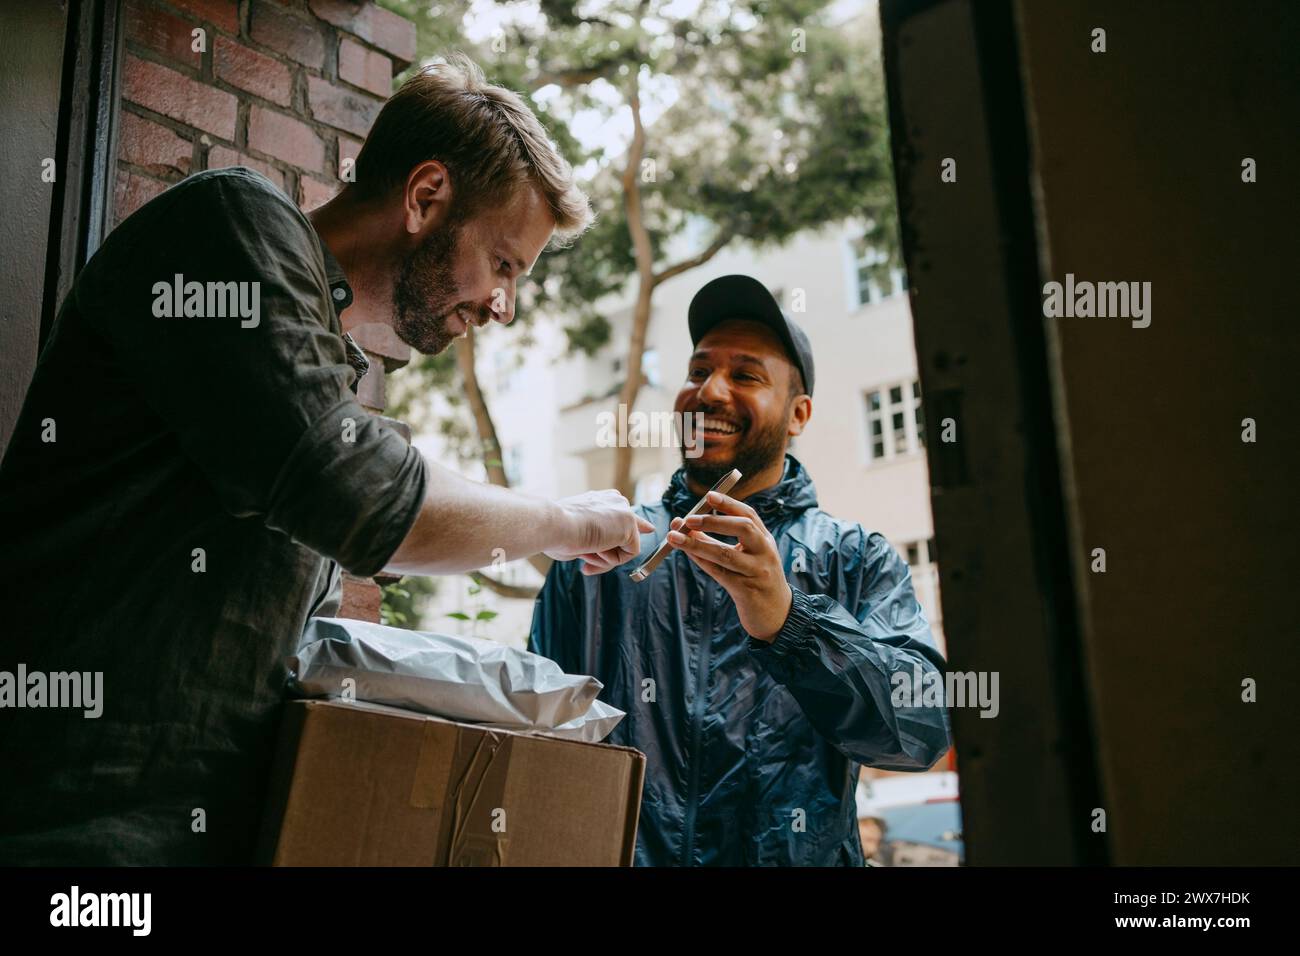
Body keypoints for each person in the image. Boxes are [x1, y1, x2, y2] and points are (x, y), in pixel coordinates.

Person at [0, 54, 650, 865]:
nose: (503, 306)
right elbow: (365, 493)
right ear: (425, 197)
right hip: (65, 833)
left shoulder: (317, 361)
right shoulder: (231, 227)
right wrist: (564, 521)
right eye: (506, 264)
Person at [530, 274, 951, 866]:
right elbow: (538, 738)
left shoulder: (857, 559)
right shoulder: (605, 554)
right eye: (698, 371)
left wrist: (791, 623)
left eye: (746, 375)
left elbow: (922, 730)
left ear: (798, 413)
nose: (710, 392)